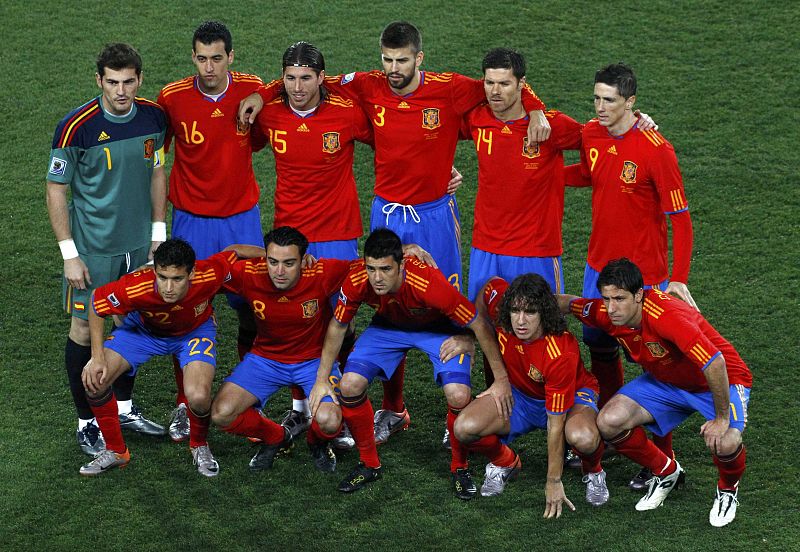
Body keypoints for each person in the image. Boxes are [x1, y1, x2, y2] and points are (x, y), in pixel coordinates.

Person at [240, 22, 550, 445]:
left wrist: (535, 109)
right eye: (387, 59)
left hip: (435, 215)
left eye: (402, 60)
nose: (393, 68)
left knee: (444, 300)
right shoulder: (367, 85)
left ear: (419, 58)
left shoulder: (451, 88)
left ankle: (459, 409)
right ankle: (393, 407)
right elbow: (310, 80)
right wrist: (264, 91)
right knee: (388, 303)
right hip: (387, 212)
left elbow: (501, 89)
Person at [565, 62, 696, 487]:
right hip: (598, 268)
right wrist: (540, 177)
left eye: (610, 100)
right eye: (597, 98)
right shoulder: (591, 133)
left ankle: (661, 456)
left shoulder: (657, 149)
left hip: (647, 277)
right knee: (599, 342)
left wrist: (678, 277)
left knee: (656, 362)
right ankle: (612, 429)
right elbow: (589, 174)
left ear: (631, 102)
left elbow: (681, 218)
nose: (600, 107)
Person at [309, 229, 512, 498]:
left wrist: (499, 378)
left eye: (385, 269)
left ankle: (459, 467)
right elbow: (338, 325)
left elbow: (478, 322)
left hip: (438, 330)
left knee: (459, 393)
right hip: (389, 327)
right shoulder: (358, 277)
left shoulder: (427, 282)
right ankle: (369, 464)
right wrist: (322, 380)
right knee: (348, 385)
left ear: (401, 265)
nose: (377, 278)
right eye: (371, 268)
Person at [559, 258, 752, 527]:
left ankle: (728, 491)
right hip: (668, 382)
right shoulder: (607, 313)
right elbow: (568, 304)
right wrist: (522, 306)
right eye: (606, 298)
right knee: (608, 421)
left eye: (619, 298)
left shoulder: (667, 316)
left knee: (727, 441)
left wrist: (721, 419)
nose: (611, 308)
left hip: (721, 381)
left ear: (639, 295)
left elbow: (715, 363)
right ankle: (667, 471)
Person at [46, 42, 167, 456]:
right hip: (93, 250)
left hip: (138, 247)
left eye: (128, 81)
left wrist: (158, 231)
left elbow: (157, 172)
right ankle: (87, 421)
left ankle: (124, 408)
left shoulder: (154, 118)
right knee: (83, 329)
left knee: (131, 325)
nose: (121, 91)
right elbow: (56, 189)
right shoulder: (74, 126)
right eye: (112, 82)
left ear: (139, 80)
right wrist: (69, 254)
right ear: (99, 80)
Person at [252, 41, 373, 444]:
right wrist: (264, 92)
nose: (298, 87)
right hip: (292, 236)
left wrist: (440, 172)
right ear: (281, 78)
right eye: (290, 78)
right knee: (296, 318)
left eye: (306, 78)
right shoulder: (267, 113)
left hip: (338, 231)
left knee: (343, 316)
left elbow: (394, 144)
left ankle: (341, 398)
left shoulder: (348, 113)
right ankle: (300, 407)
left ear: (322, 77)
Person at [157, 21, 268, 442]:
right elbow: (154, 152)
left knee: (251, 307)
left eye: (216, 58)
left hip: (242, 218)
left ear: (231, 58)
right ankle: (186, 405)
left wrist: (262, 93)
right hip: (191, 221)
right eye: (201, 58)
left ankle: (250, 396)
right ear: (193, 58)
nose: (208, 67)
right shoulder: (172, 98)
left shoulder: (250, 88)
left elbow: (282, 92)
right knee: (186, 307)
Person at [78, 239, 240, 477]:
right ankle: (116, 451)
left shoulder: (210, 273)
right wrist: (97, 356)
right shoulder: (135, 286)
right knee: (95, 380)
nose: (168, 288)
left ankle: (199, 445)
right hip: (143, 333)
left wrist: (286, 257)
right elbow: (96, 303)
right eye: (162, 277)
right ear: (154, 271)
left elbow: (235, 252)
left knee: (198, 396)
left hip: (193, 333)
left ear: (192, 273)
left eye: (177, 279)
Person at [453, 274, 608, 516]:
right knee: (464, 427)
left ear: (544, 313)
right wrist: (474, 336)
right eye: (515, 311)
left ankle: (593, 469)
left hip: (573, 395)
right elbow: (488, 288)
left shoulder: (559, 352)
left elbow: (554, 424)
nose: (520, 321)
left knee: (583, 438)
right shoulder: (503, 310)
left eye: (530, 312)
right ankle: (505, 461)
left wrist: (553, 481)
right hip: (521, 395)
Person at [210, 227, 354, 473]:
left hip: (313, 362)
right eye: (273, 261)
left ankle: (316, 442)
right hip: (265, 359)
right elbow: (219, 261)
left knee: (330, 422)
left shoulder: (321, 272)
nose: (279, 271)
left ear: (303, 260)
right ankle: (277, 436)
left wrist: (405, 251)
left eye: (289, 263)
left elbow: (369, 267)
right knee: (222, 414)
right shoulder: (249, 273)